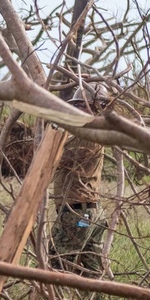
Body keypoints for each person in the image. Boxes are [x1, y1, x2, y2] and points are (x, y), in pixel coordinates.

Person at [48, 84, 110, 277]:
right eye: (78, 105)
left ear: (95, 107)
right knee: (91, 270)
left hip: (77, 213)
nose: (78, 109)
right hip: (91, 213)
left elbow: (56, 158)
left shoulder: (85, 135)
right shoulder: (94, 132)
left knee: (56, 264)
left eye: (83, 105)